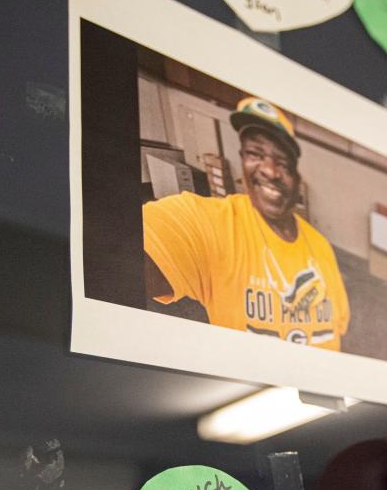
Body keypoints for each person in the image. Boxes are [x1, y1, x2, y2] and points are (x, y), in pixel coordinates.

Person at [143, 97, 350, 350]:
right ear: (242, 161)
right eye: (255, 154)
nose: (270, 171)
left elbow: (336, 331)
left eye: (282, 162)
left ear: (297, 179)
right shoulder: (215, 223)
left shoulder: (321, 247)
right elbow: (117, 253)